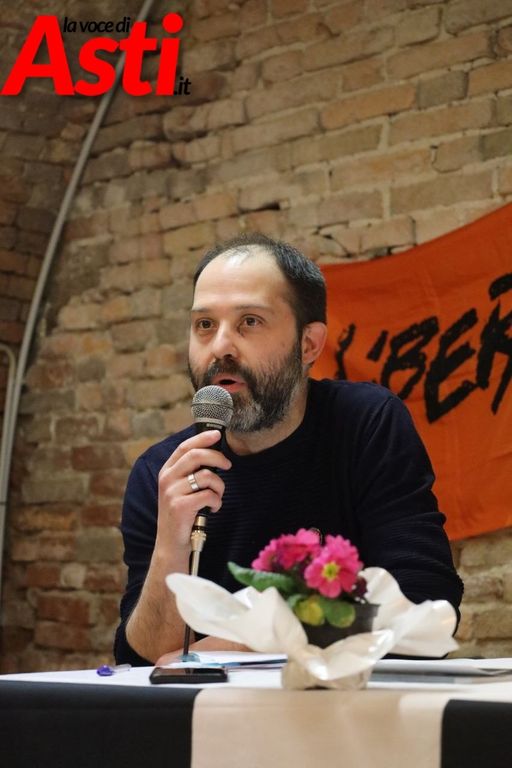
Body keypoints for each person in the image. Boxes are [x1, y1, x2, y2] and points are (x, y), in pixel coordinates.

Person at [114, 233, 463, 666]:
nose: (220, 346)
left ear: (308, 344)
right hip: (209, 708)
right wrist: (171, 542)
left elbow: (425, 601)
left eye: (249, 322)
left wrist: (241, 645)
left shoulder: (365, 424)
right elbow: (143, 658)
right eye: (204, 325)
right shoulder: (161, 472)